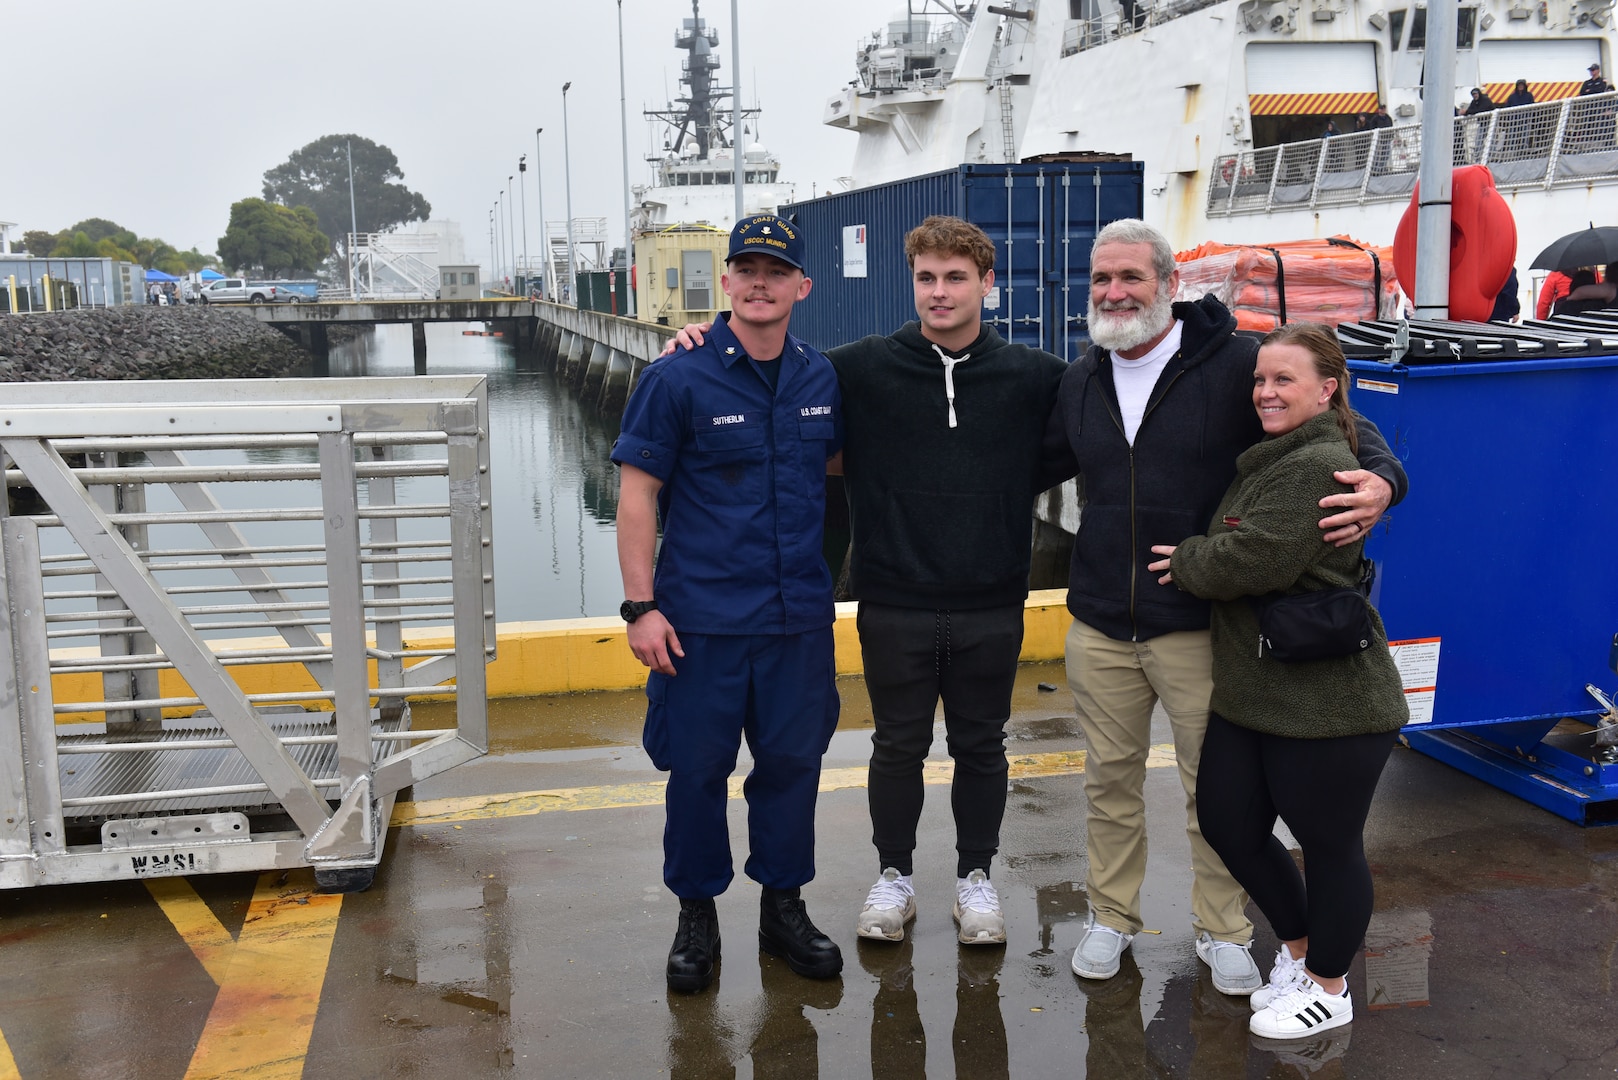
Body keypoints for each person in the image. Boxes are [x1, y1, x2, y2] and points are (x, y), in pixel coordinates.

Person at [668, 216, 1069, 949]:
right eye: (926, 278)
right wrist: (697, 339)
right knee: (897, 746)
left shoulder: (1038, 378)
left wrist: (1359, 451)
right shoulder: (857, 368)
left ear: (987, 284)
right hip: (891, 595)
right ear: (910, 282)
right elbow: (771, 374)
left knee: (982, 746)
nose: (939, 292)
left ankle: (976, 879)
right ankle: (895, 876)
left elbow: (1116, 421)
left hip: (990, 599)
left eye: (956, 278)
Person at [1040, 219, 1408, 998]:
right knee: (1108, 783)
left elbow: (1342, 423)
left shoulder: (1237, 362)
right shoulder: (1081, 378)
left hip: (1202, 627)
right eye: (1102, 279)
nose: (1114, 293)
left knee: (1215, 794)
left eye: (1132, 277)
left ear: (1168, 284)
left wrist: (1385, 481)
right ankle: (1112, 916)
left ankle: (1223, 927)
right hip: (1103, 621)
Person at [1147, 322, 1408, 1041]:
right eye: (1259, 380)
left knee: (1329, 845)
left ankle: (1330, 985)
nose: (1264, 392)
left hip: (1332, 700)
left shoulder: (1313, 464)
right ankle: (1297, 953)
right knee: (1231, 823)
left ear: (1327, 391)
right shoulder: (1276, 451)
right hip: (1256, 692)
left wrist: (1195, 557)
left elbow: (1251, 562)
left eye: (1283, 380)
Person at [612, 214, 845, 994]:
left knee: (792, 768)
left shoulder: (821, 377)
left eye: (775, 271)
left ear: (801, 287)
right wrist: (639, 607)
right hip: (702, 622)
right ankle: (696, 917)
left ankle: (784, 909)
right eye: (744, 268)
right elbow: (637, 495)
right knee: (697, 774)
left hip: (796, 623)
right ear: (728, 281)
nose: (758, 282)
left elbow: (843, 471)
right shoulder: (676, 377)